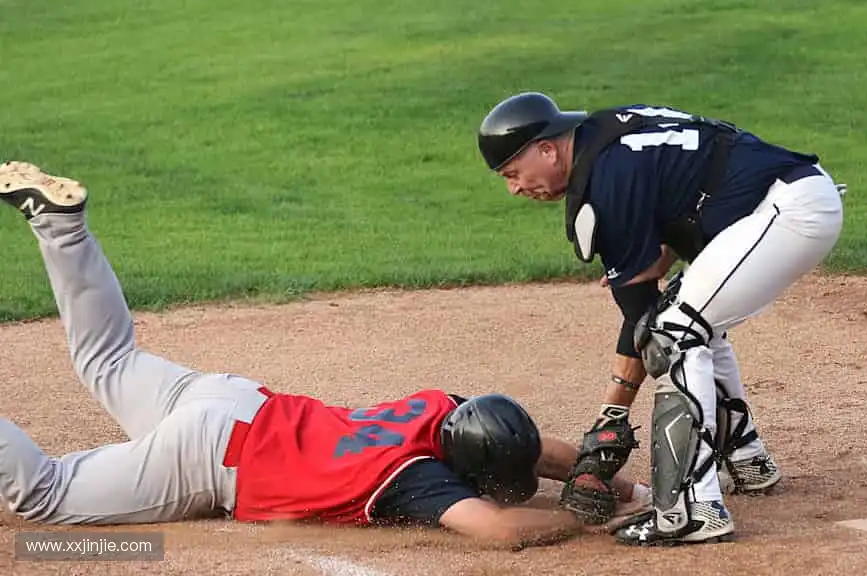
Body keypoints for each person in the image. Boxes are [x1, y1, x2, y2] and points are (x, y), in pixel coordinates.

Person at [0, 161, 650, 549]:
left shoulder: (441, 409)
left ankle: (61, 227)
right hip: (207, 457)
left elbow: (531, 445)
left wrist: (620, 484)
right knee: (47, 498)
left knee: (108, 361)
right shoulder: (419, 480)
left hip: (232, 400)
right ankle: (59, 228)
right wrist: (576, 514)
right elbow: (499, 531)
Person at [476, 92, 845, 546]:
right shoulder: (606, 135)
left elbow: (641, 321)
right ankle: (747, 460)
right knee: (691, 321)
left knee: (672, 332)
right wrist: (666, 252)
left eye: (513, 173)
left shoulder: (605, 184)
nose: (514, 187)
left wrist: (609, 420)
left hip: (787, 212)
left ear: (548, 149)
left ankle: (690, 509)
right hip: (787, 200)